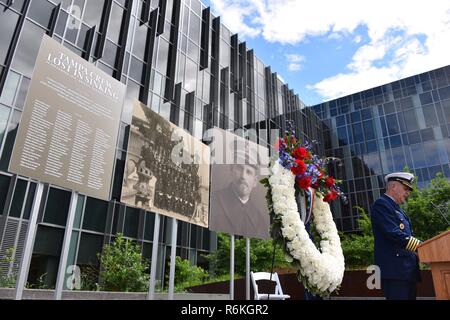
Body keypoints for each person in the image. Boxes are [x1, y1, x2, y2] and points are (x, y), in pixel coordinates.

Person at [370, 172, 422, 300]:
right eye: (405, 189)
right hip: (395, 271)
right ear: (394, 186)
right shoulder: (381, 204)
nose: (408, 193)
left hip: (407, 271)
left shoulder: (398, 209)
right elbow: (393, 233)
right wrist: (421, 246)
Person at [210, 162, 269, 239]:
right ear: (231, 172)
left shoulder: (259, 221)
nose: (243, 176)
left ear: (255, 181)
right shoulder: (213, 201)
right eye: (239, 169)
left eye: (249, 172)